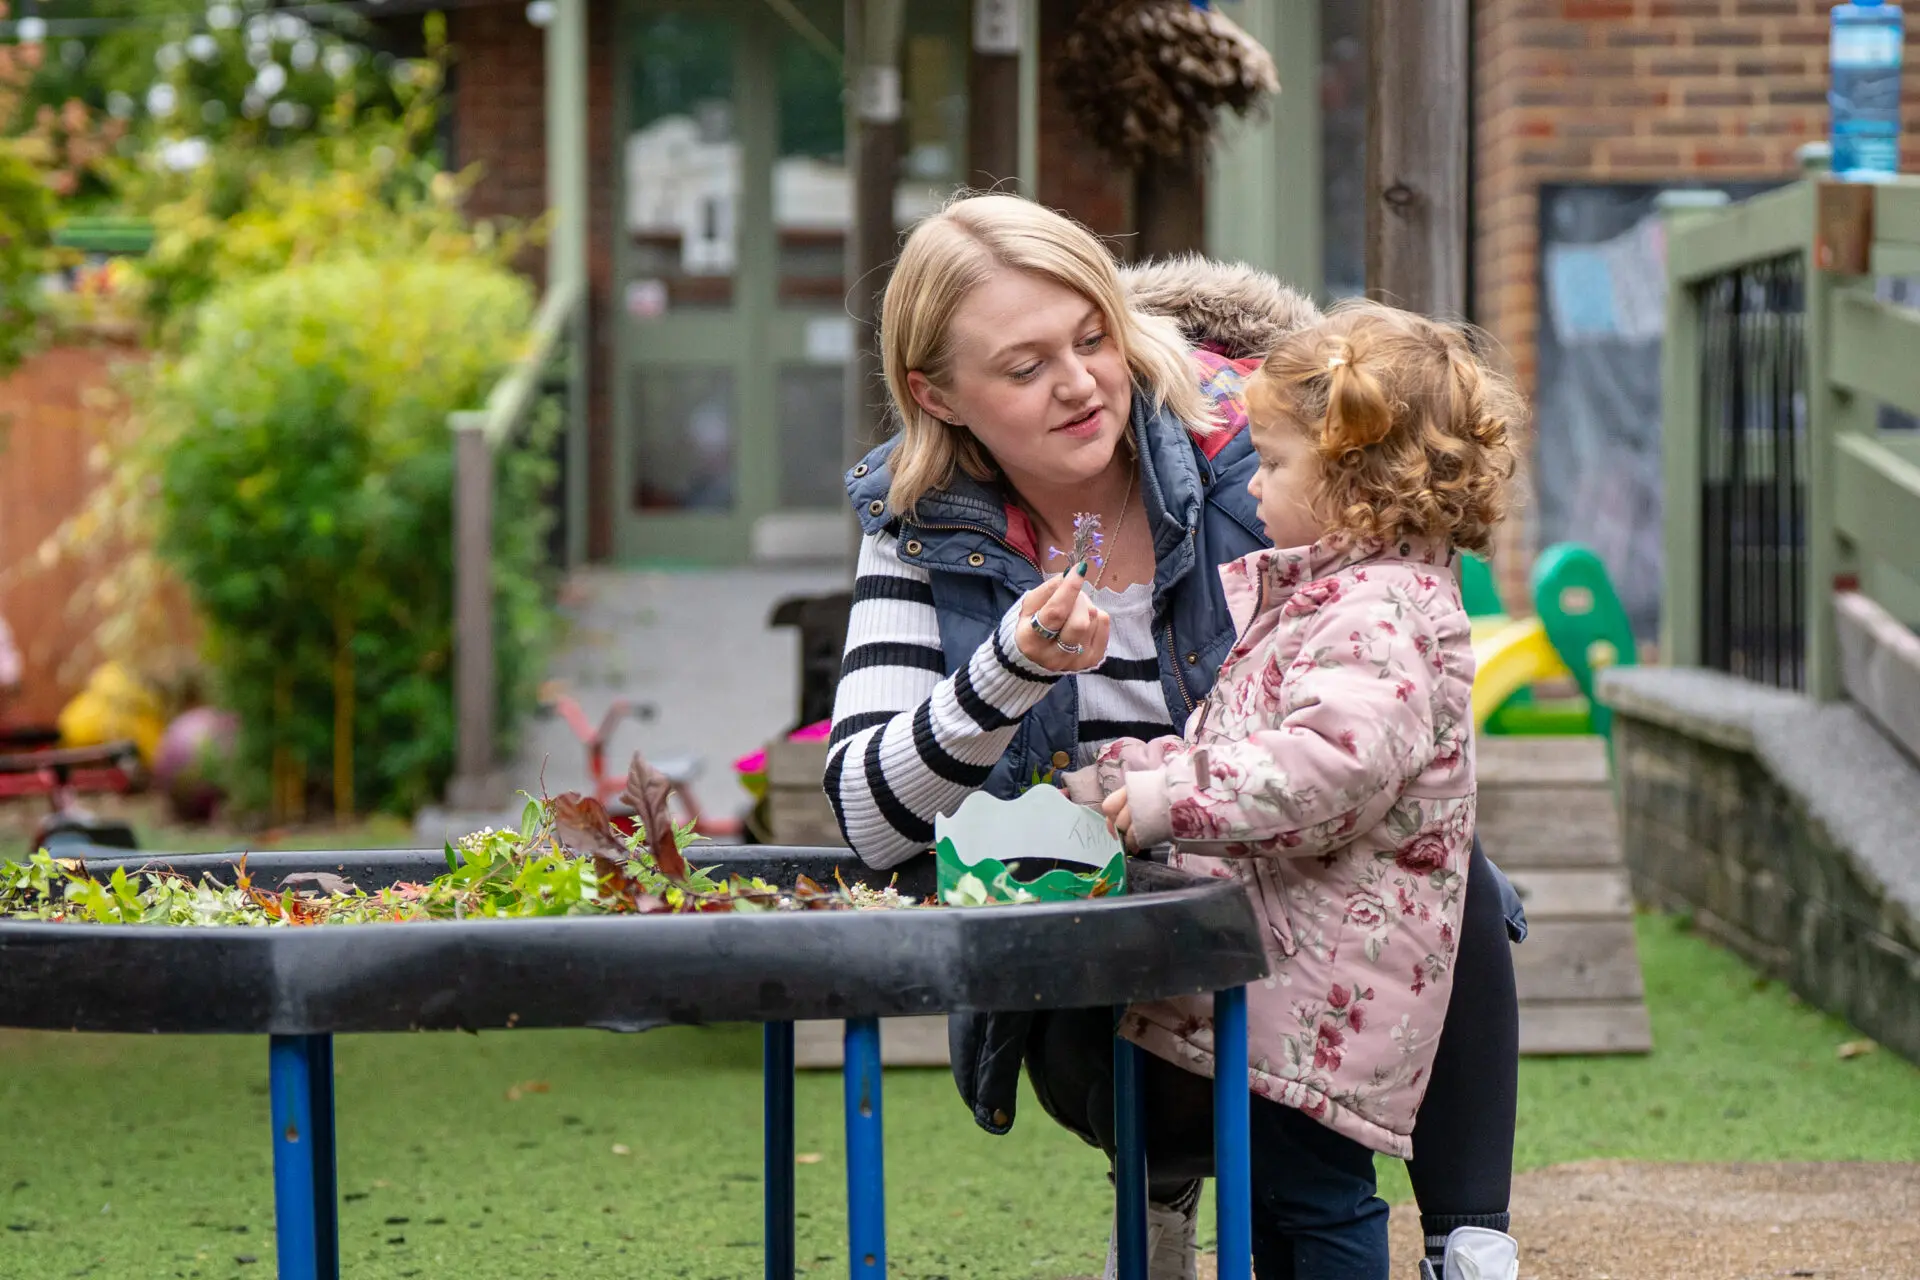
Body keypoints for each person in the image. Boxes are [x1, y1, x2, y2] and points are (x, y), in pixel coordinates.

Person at [824, 193, 1523, 1279]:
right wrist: (1007, 670)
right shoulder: (924, 524)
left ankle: (1467, 1239)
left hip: (1302, 898)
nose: (1078, 383)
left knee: (1441, 866)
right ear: (937, 394)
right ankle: (1159, 1187)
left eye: (1093, 337)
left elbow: (1376, 695)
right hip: (1109, 954)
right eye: (1025, 367)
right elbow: (872, 827)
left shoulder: (1249, 448)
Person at [1058, 299, 1522, 1278]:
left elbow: (1327, 770)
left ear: (1355, 485)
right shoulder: (1333, 601)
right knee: (1280, 1198)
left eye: (1271, 462)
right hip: (1297, 973)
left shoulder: (1377, 613)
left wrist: (1165, 803)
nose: (1251, 484)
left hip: (1320, 984)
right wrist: (1120, 777)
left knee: (1313, 1203)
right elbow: (1242, 744)